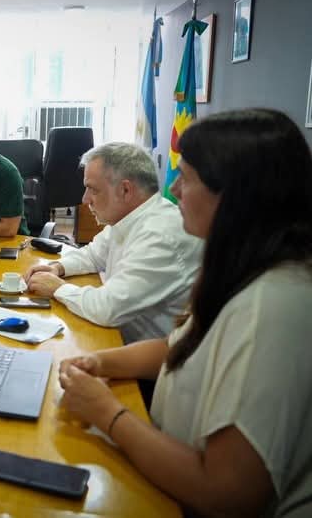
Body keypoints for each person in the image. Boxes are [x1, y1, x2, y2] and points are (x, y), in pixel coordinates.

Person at [58, 109, 312, 517]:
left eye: (187, 177)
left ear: (233, 195)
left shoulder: (272, 307)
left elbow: (228, 493)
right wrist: (100, 361)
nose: (173, 189)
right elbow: (180, 345)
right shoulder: (246, 268)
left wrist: (108, 413)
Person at [24, 142, 201, 343]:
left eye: (93, 189)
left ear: (125, 190)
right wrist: (57, 267)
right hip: (123, 342)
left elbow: (108, 308)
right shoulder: (132, 218)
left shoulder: (160, 235)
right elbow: (92, 254)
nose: (85, 199)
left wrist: (57, 288)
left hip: (151, 366)